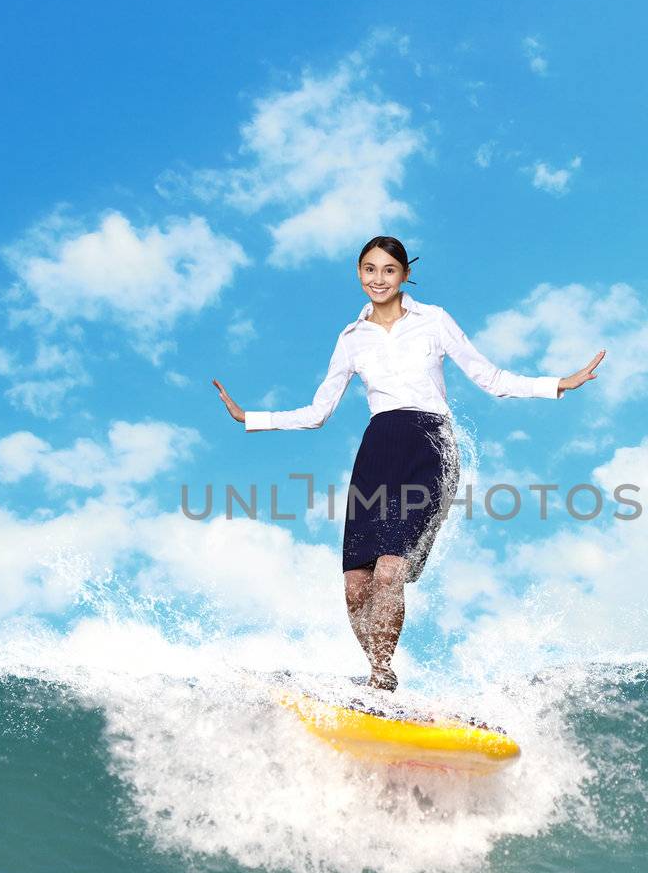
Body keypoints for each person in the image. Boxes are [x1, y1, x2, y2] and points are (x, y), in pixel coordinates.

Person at [212, 237, 604, 690]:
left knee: (391, 570)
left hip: (428, 446)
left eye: (389, 270)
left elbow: (490, 378)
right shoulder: (351, 338)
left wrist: (559, 383)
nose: (378, 279)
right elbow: (318, 413)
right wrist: (250, 418)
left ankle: (379, 677)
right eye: (369, 269)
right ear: (359, 273)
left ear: (404, 275)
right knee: (356, 585)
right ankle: (381, 671)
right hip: (378, 450)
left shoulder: (433, 321)